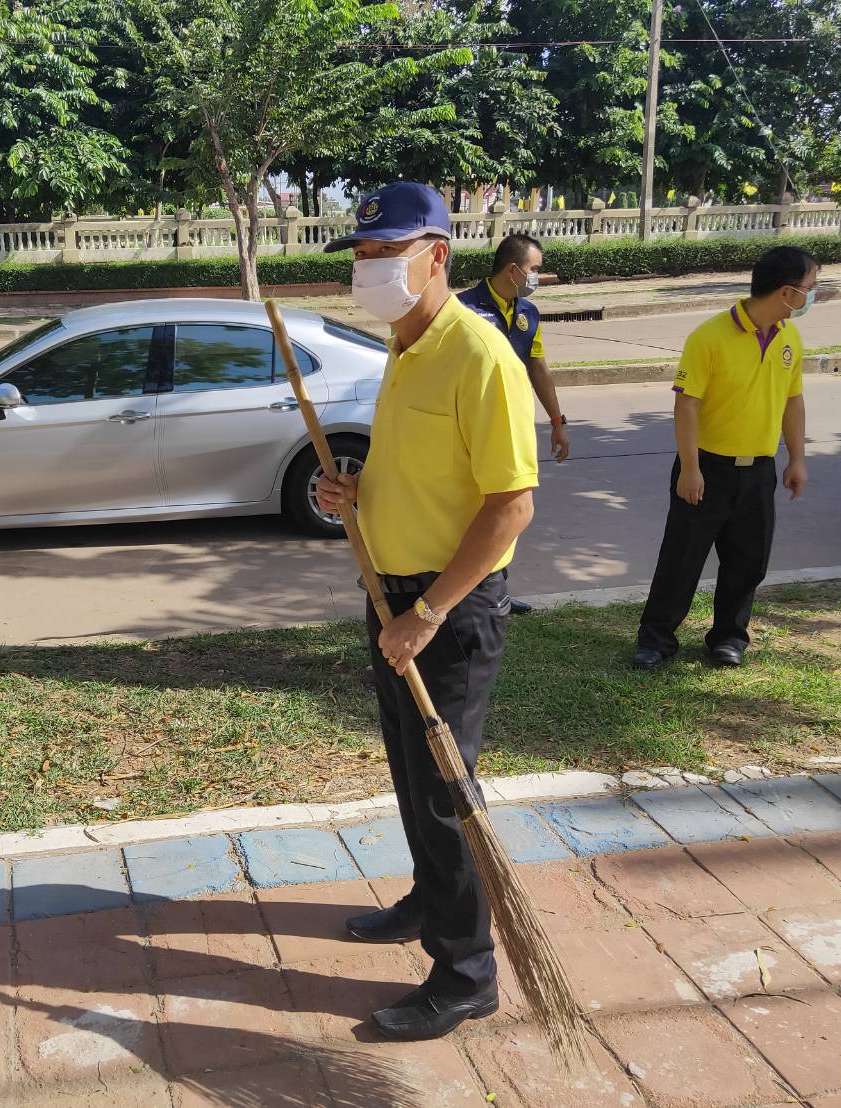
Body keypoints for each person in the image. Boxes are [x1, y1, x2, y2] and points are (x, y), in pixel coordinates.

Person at [317, 182, 538, 1041]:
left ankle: (466, 973)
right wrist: (354, 493)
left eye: (384, 255)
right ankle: (423, 899)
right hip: (393, 592)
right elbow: (420, 476)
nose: (368, 271)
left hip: (450, 606)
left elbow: (508, 505)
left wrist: (429, 613)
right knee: (411, 771)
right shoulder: (404, 351)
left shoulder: (480, 357)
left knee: (447, 788)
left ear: (435, 255)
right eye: (363, 257)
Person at [632, 245, 815, 670]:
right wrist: (691, 468)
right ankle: (656, 640)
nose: (812, 296)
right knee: (682, 558)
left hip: (759, 470)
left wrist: (797, 459)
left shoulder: (790, 337)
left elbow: (793, 401)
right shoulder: (710, 336)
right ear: (787, 292)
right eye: (810, 288)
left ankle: (729, 638)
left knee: (749, 560)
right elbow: (687, 404)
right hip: (707, 469)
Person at [458, 233, 570, 614]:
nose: (537, 276)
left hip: (513, 427)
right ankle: (468, 590)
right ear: (513, 270)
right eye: (535, 270)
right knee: (474, 508)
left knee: (510, 506)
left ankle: (497, 589)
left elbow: (537, 367)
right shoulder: (462, 311)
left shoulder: (529, 314)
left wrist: (557, 421)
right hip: (471, 430)